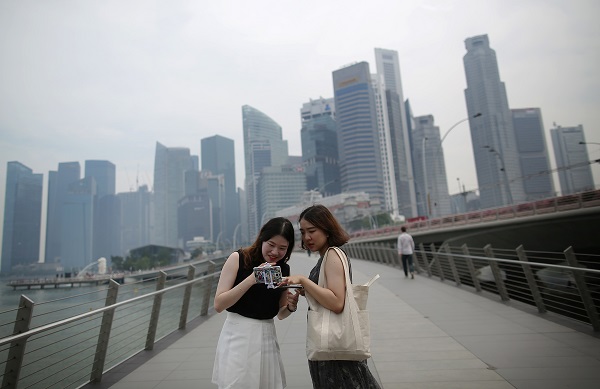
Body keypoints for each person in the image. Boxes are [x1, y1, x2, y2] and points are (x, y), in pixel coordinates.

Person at [280, 205, 381, 389]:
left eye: (312, 231)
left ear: (326, 229)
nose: (307, 237)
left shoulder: (333, 254)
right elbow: (327, 294)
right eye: (302, 232)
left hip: (335, 351)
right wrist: (306, 290)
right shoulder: (326, 255)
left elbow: (336, 302)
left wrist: (303, 280)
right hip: (331, 349)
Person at [212, 217, 300, 389]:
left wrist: (291, 306)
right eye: (271, 244)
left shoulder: (283, 269)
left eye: (282, 248)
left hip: (267, 335)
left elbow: (281, 313)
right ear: (261, 238)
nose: (275, 252)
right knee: (237, 383)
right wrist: (252, 279)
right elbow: (219, 304)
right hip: (238, 335)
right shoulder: (238, 258)